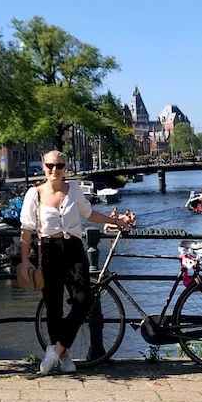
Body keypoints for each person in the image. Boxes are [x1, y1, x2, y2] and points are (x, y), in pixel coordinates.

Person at [18, 150, 133, 376]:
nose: (54, 170)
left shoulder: (74, 190)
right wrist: (24, 261)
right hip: (48, 250)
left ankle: (56, 350)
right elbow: (26, 230)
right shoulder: (35, 194)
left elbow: (88, 214)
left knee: (83, 300)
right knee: (54, 306)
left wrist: (116, 221)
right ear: (43, 167)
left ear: (65, 168)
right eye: (50, 165)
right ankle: (64, 357)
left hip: (73, 248)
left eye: (59, 165)